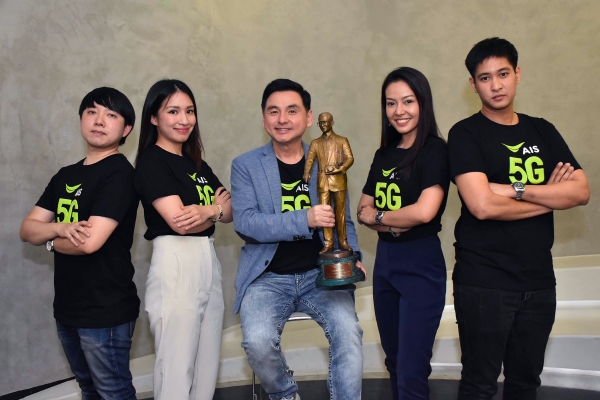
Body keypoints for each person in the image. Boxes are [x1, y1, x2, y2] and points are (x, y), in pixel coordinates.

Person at [447, 37, 590, 399]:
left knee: (526, 384)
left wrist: (514, 189)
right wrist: (551, 197)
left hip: (539, 282)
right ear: (473, 84)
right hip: (484, 282)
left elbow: (580, 191)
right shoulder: (465, 134)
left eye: (503, 73)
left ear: (518, 74)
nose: (496, 85)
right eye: (485, 78)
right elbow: (482, 206)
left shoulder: (542, 130)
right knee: (479, 385)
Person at [231, 78, 365, 400]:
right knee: (257, 342)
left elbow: (343, 216)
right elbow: (247, 223)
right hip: (267, 278)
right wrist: (304, 218)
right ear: (264, 118)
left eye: (292, 111)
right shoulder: (246, 166)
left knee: (348, 333)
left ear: (308, 117)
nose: (282, 119)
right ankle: (286, 395)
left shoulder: (327, 159)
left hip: (321, 276)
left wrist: (354, 254)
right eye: (273, 111)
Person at [19, 87, 140, 400]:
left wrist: (49, 241)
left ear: (126, 129)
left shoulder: (120, 174)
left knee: (113, 392)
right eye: (91, 112)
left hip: (106, 311)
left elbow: (88, 243)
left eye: (110, 115)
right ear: (81, 119)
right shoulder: (65, 175)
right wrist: (60, 228)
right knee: (89, 390)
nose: (99, 121)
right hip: (67, 308)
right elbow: (27, 229)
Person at [134, 79, 232, 400]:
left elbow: (231, 209)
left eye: (189, 111)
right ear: (153, 117)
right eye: (173, 111)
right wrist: (215, 210)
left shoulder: (197, 164)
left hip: (207, 257)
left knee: (207, 365)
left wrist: (209, 210)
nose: (184, 119)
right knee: (176, 369)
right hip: (176, 260)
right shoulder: (151, 161)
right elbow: (180, 223)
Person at [356, 67, 450, 400]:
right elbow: (361, 210)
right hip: (386, 263)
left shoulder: (435, 150)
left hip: (421, 262)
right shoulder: (383, 154)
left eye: (408, 101)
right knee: (395, 362)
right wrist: (396, 222)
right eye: (391, 103)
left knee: (412, 370)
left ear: (423, 103)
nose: (399, 111)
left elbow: (424, 212)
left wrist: (381, 217)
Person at [304, 112, 354, 253]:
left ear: (332, 123)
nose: (323, 125)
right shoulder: (315, 143)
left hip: (338, 181)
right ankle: (328, 243)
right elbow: (310, 159)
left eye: (325, 122)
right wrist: (307, 171)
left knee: (341, 213)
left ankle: (343, 241)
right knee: (324, 213)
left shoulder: (342, 140)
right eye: (320, 123)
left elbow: (350, 158)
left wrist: (340, 169)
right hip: (323, 182)